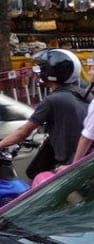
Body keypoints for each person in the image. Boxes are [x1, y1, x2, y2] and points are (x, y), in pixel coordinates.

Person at [0, 49, 89, 179]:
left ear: (51, 73)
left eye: (42, 69)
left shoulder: (52, 100)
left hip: (69, 164)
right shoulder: (84, 94)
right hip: (88, 158)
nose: (39, 73)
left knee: (40, 180)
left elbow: (22, 132)